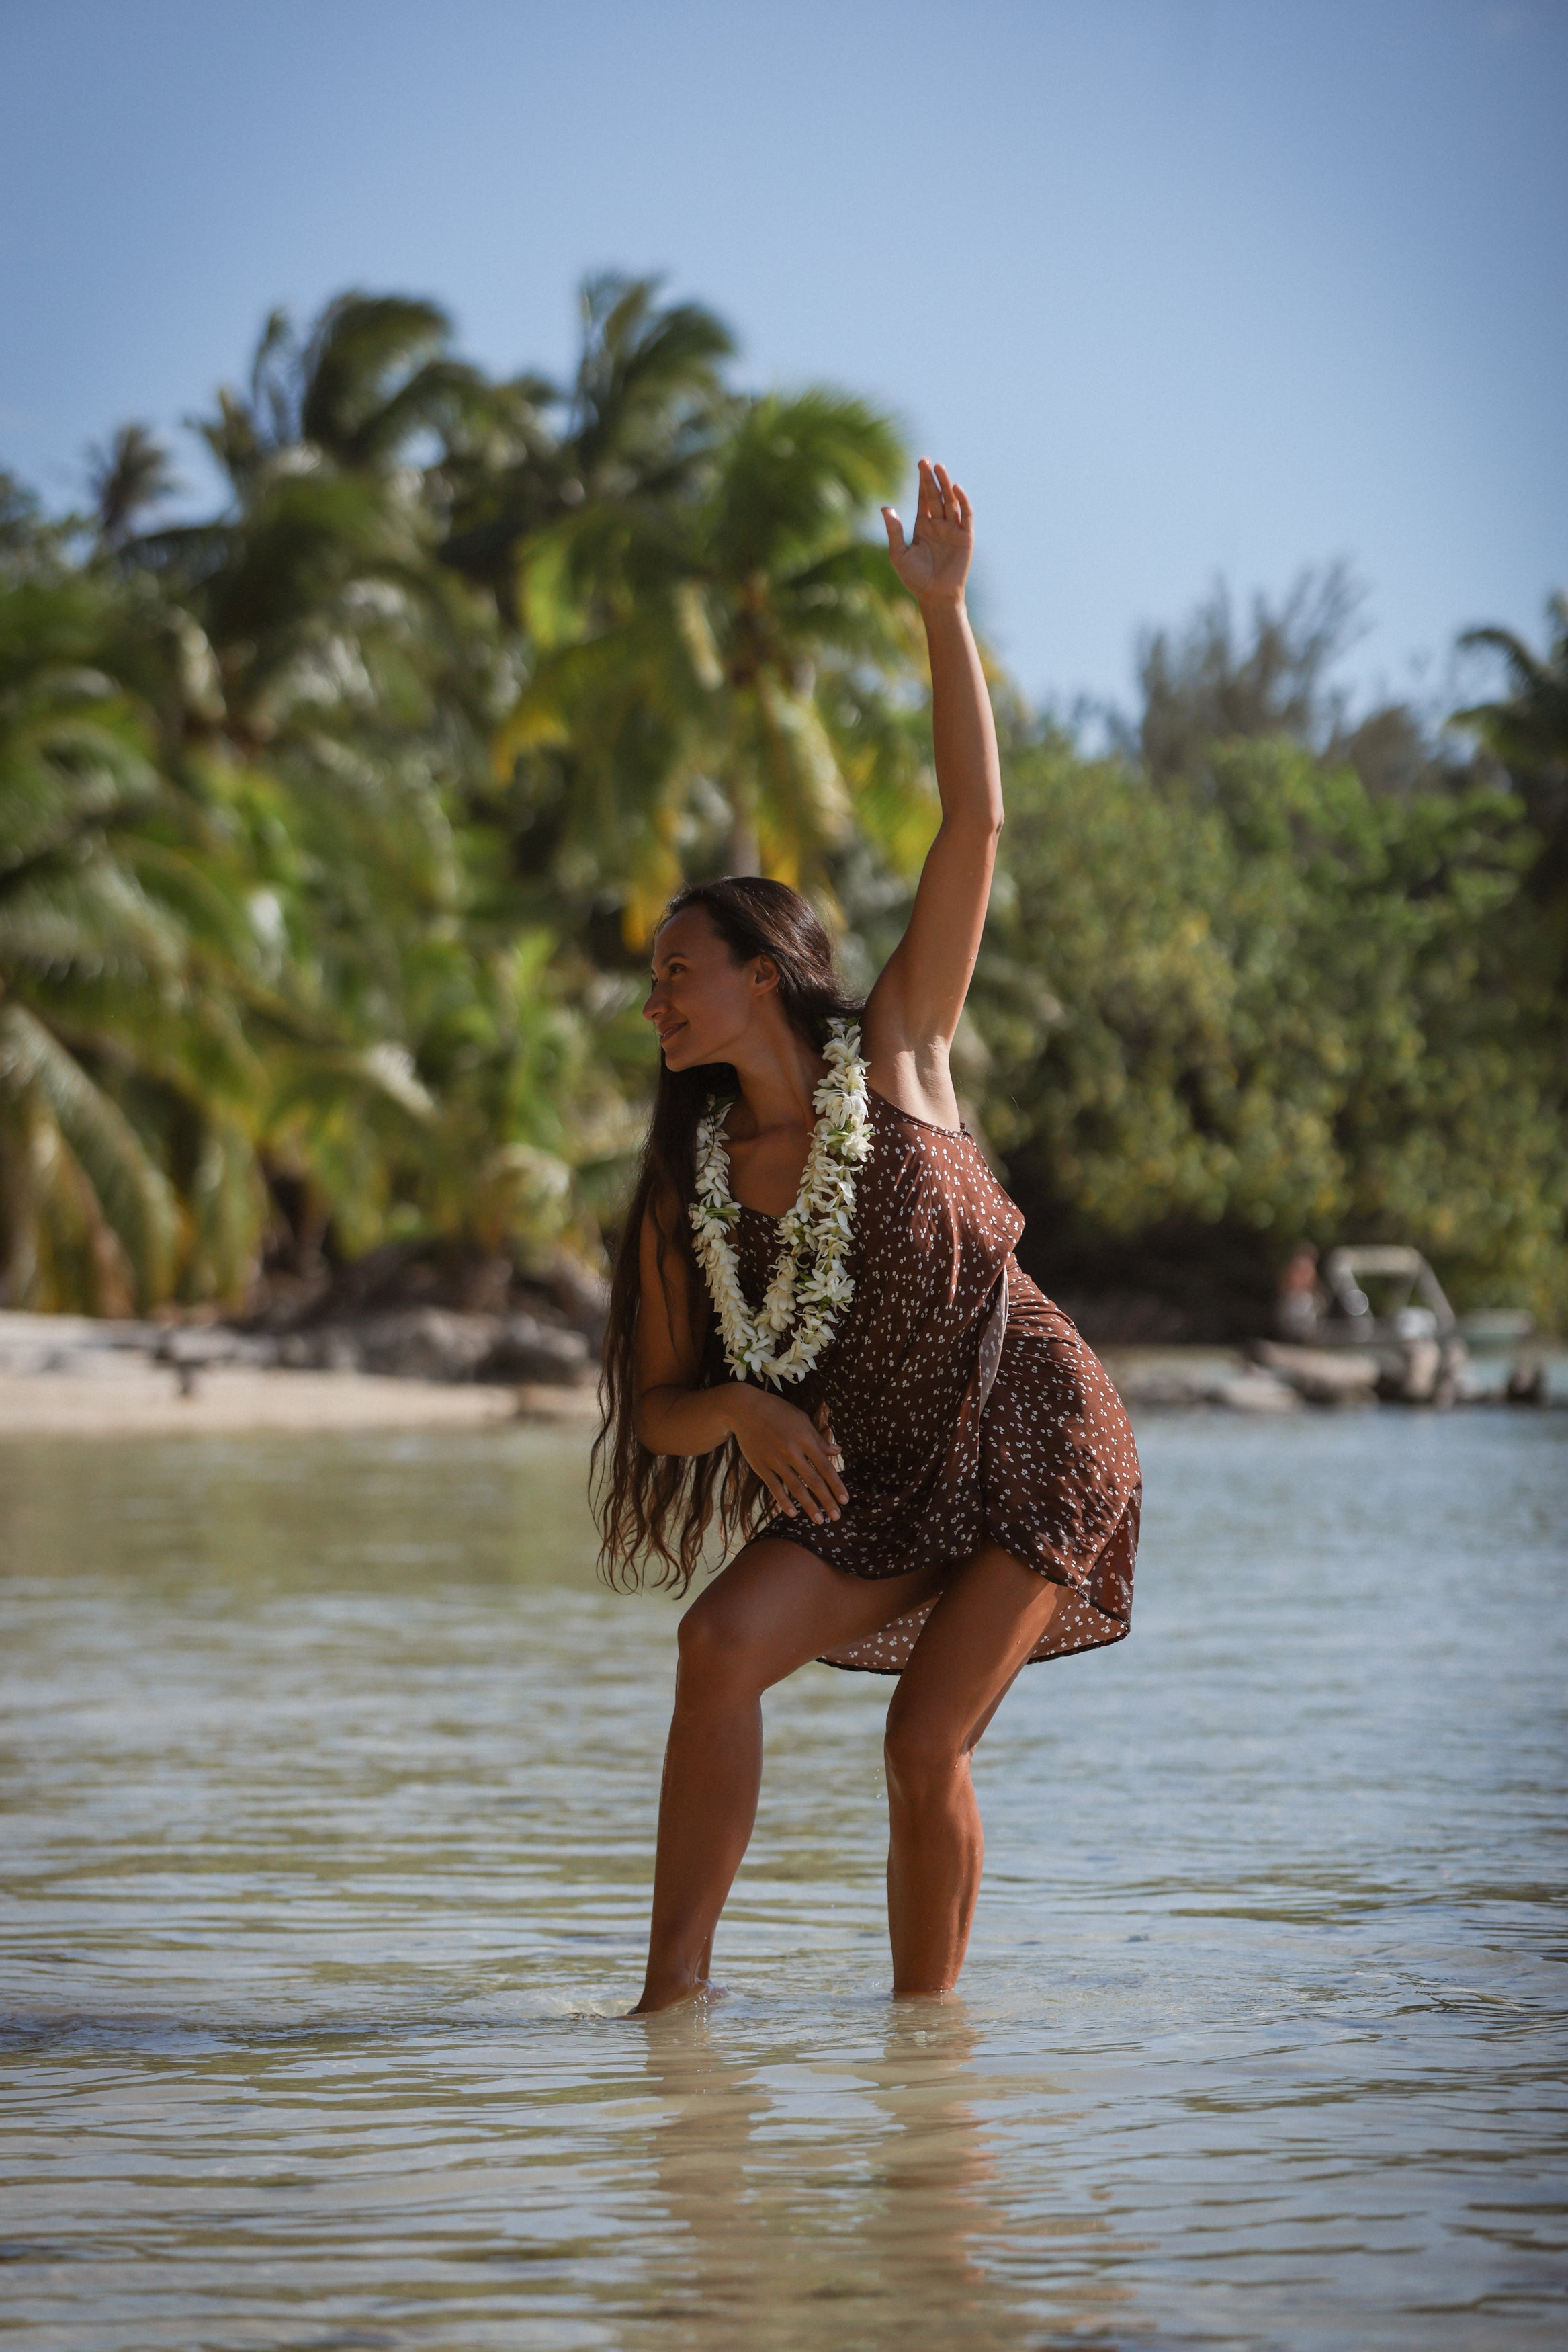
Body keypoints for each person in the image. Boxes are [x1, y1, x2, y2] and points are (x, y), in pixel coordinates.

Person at [595, 460, 1141, 2014]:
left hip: (1031, 1428)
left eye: (678, 967)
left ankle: (927, 2065)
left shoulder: (901, 1045)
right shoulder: (687, 1183)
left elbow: (975, 815)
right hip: (877, 1474)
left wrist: (944, 614)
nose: (657, 997)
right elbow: (660, 1407)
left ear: (765, 972)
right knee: (717, 1646)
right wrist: (752, 1409)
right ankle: (672, 2007)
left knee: (922, 1744)